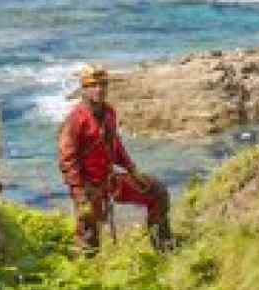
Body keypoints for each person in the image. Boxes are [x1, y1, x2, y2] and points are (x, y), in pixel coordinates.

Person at [56, 63, 172, 253]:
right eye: (93, 85)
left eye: (103, 85)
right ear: (83, 89)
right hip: (88, 188)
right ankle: (84, 276)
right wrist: (80, 195)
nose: (99, 89)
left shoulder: (109, 112)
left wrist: (132, 170)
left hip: (109, 181)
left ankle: (164, 249)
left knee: (157, 192)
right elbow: (67, 160)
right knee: (88, 242)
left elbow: (114, 144)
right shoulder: (75, 120)